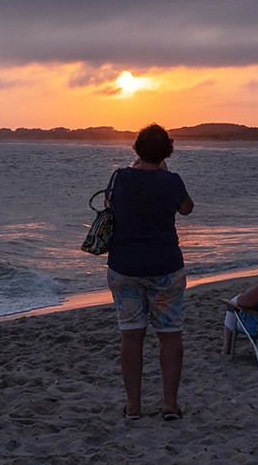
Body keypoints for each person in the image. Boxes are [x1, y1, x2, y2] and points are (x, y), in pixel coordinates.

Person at [105, 124, 194, 421]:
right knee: (170, 335)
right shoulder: (172, 181)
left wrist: (138, 169)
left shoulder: (120, 178)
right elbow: (187, 209)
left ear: (136, 148)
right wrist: (164, 174)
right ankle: (169, 404)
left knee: (131, 336)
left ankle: (134, 406)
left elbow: (110, 205)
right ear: (167, 151)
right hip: (165, 267)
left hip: (124, 266)